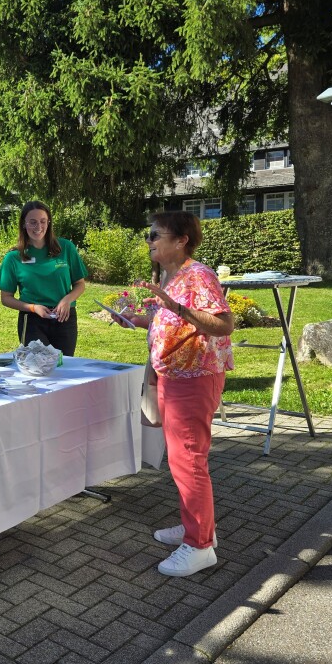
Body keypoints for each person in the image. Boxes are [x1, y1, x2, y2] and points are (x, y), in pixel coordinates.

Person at [117, 211, 234, 578]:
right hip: (175, 377)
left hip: (194, 379)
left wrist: (177, 307)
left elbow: (223, 323)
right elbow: (171, 323)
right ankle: (197, 529)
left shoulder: (198, 275)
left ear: (181, 239)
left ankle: (200, 547)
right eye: (148, 234)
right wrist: (141, 320)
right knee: (182, 460)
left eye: (156, 234)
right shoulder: (174, 276)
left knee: (189, 460)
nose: (150, 240)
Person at [0, 201, 87, 356]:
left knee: (63, 367)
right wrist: (33, 307)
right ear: (24, 224)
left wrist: (67, 300)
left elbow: (80, 284)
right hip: (32, 320)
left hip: (64, 318)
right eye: (33, 222)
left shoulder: (66, 248)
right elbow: (6, 298)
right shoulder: (13, 258)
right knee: (37, 368)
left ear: (48, 223)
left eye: (43, 221)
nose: (38, 227)